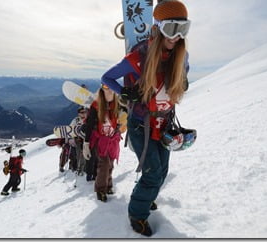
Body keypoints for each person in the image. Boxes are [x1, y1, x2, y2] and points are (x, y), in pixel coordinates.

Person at [100, 0, 191, 236]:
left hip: (164, 123)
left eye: (183, 29)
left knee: (161, 170)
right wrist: (125, 92)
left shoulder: (181, 55)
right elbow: (107, 78)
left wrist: (183, 81)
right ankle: (137, 214)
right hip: (141, 125)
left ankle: (146, 194)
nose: (177, 37)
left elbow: (183, 76)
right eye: (172, 28)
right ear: (158, 27)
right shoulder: (139, 57)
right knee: (153, 172)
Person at [82, 85, 122, 202]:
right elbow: (89, 125)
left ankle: (108, 186)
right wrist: (86, 143)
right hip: (101, 140)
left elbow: (122, 118)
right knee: (104, 164)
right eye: (106, 87)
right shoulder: (95, 105)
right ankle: (100, 189)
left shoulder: (118, 104)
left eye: (112, 88)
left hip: (113, 139)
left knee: (110, 164)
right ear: (101, 91)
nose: (110, 90)